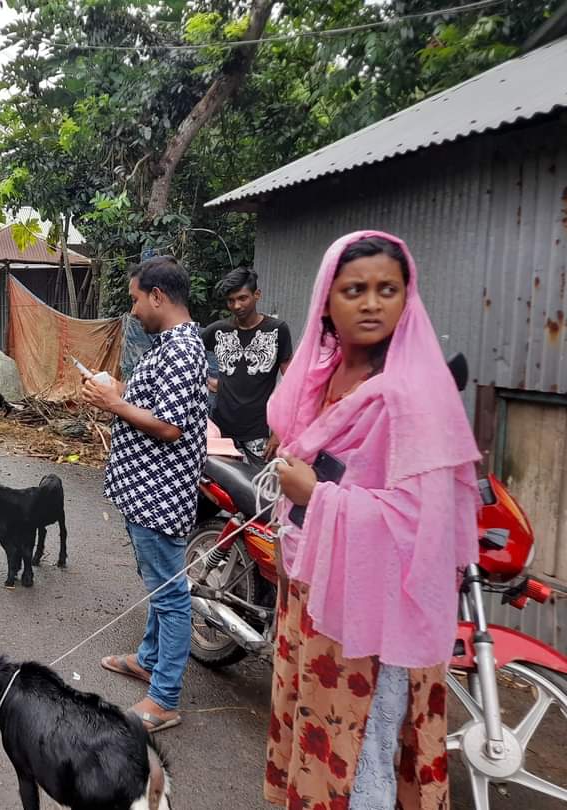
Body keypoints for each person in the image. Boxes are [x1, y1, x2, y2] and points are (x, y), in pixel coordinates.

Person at [264, 232, 480, 809]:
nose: (371, 303)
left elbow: (422, 526)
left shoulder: (412, 396)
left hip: (375, 610)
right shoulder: (322, 372)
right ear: (325, 302)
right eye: (354, 289)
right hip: (313, 585)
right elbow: (306, 444)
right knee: (317, 728)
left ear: (408, 298)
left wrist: (318, 495)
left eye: (389, 289)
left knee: (363, 750)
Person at [84, 255, 208, 734]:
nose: (133, 310)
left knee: (172, 595)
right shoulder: (169, 345)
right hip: (145, 491)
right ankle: (150, 659)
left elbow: (171, 427)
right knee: (159, 587)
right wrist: (116, 392)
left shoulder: (180, 349)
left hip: (159, 494)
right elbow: (153, 406)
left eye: (136, 299)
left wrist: (114, 402)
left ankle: (165, 699)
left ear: (157, 295)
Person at [201, 268, 292, 462]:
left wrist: (280, 431)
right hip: (219, 431)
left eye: (243, 298)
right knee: (217, 488)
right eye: (231, 300)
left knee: (257, 488)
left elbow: (292, 383)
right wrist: (209, 381)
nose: (237, 305)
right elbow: (188, 352)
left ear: (257, 295)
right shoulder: (219, 331)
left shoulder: (277, 330)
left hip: (259, 433)